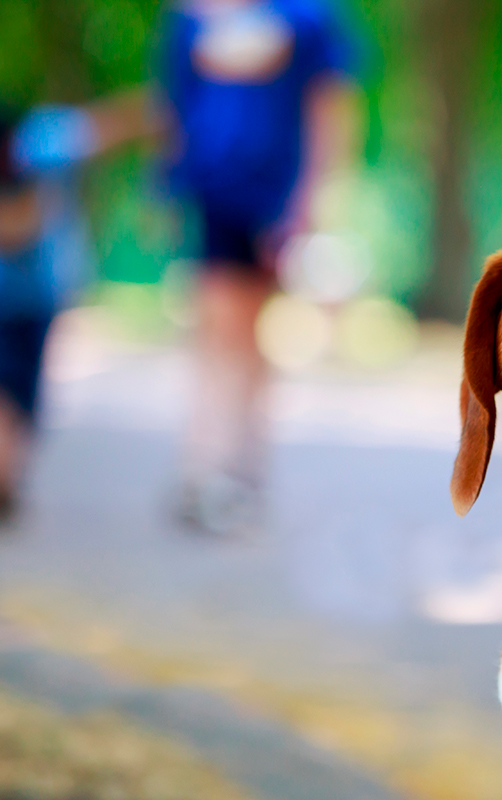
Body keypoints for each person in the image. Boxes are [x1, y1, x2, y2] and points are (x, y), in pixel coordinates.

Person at [160, 0, 358, 534]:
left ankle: (231, 468)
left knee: (242, 335)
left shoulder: (308, 17)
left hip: (272, 195)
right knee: (217, 328)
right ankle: (212, 468)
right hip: (210, 192)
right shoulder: (186, 17)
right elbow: (175, 106)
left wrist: (308, 200)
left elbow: (329, 108)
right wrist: (166, 189)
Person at [0, 94, 157, 520]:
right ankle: (8, 472)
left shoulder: (42, 138)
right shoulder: (44, 138)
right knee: (20, 390)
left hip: (34, 293)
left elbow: (115, 126)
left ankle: (8, 472)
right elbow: (113, 126)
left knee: (15, 389)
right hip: (39, 292)